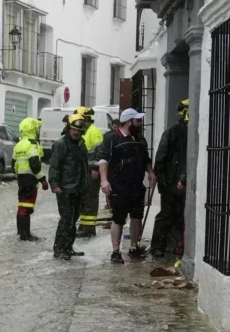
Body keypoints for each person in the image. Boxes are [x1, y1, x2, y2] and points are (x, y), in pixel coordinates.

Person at [98, 108, 156, 264]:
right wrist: (104, 181)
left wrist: (150, 172)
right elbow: (103, 161)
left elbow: (146, 159)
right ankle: (115, 251)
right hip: (118, 186)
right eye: (138, 121)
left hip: (137, 186)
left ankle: (134, 247)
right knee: (118, 219)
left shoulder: (140, 139)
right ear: (129, 122)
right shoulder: (112, 139)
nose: (140, 123)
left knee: (137, 217)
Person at [48, 116, 90, 260]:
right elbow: (54, 166)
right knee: (66, 219)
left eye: (78, 130)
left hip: (78, 188)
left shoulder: (81, 144)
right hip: (65, 188)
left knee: (73, 219)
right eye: (73, 129)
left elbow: (84, 165)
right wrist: (54, 184)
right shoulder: (60, 144)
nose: (76, 132)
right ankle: (59, 249)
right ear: (68, 129)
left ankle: (68, 247)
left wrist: (85, 186)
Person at [151, 100, 189, 259]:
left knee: (180, 216)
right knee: (166, 214)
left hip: (182, 181)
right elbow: (161, 159)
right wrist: (164, 182)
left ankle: (175, 245)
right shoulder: (172, 132)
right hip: (170, 183)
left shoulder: (192, 132)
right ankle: (158, 246)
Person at [13, 118, 50, 241]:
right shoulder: (32, 144)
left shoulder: (19, 144)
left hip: (21, 178)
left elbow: (13, 163)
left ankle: (21, 232)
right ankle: (26, 235)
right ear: (33, 129)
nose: (38, 131)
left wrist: (18, 175)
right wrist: (42, 179)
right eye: (37, 129)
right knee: (27, 207)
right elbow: (34, 164)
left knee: (22, 205)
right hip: (30, 179)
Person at [75, 107, 105, 238]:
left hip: (92, 171)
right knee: (84, 198)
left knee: (90, 198)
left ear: (86, 119)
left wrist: (96, 169)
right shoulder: (84, 132)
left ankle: (89, 228)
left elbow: (101, 152)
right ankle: (83, 226)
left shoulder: (94, 131)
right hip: (84, 171)